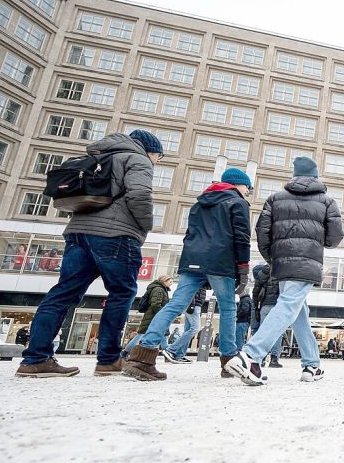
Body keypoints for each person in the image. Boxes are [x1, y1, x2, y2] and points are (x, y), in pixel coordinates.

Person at [16, 130, 159, 378]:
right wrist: (145, 225)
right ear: (150, 150)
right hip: (116, 236)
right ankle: (108, 359)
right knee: (121, 293)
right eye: (159, 156)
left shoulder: (99, 157)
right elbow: (139, 195)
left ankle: (35, 358)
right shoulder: (137, 160)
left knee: (63, 293)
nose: (158, 161)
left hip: (78, 233)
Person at [123, 168, 252, 381]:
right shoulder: (237, 203)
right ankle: (228, 359)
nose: (248, 191)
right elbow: (241, 237)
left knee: (175, 305)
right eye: (247, 186)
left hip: (192, 259)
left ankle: (142, 357)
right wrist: (243, 267)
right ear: (237, 184)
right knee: (228, 307)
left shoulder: (199, 203)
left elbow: (190, 234)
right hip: (221, 261)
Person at [225, 157, 344, 385]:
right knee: (290, 305)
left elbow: (262, 234)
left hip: (280, 263)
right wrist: (319, 242)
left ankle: (311, 364)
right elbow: (335, 236)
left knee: (299, 312)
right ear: (315, 175)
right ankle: (250, 355)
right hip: (307, 261)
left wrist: (275, 258)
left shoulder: (274, 198)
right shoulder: (327, 200)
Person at [125, 274, 173, 354]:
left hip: (155, 316)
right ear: (164, 281)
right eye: (170, 282)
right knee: (141, 335)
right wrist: (162, 315)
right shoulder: (158, 289)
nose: (171, 283)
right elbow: (156, 304)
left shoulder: (162, 289)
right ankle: (125, 352)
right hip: (153, 317)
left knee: (163, 334)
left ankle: (167, 353)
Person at [161, 284, 206, 364]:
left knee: (188, 330)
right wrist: (191, 306)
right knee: (195, 329)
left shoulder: (202, 280)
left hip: (195, 305)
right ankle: (171, 349)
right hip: (193, 305)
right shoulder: (198, 277)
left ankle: (179, 355)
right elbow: (191, 291)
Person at [250, 263, 284, 367]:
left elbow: (255, 292)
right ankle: (274, 359)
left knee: (263, 331)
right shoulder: (282, 271)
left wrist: (256, 307)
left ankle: (261, 358)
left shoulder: (262, 273)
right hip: (278, 305)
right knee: (277, 332)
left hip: (264, 305)